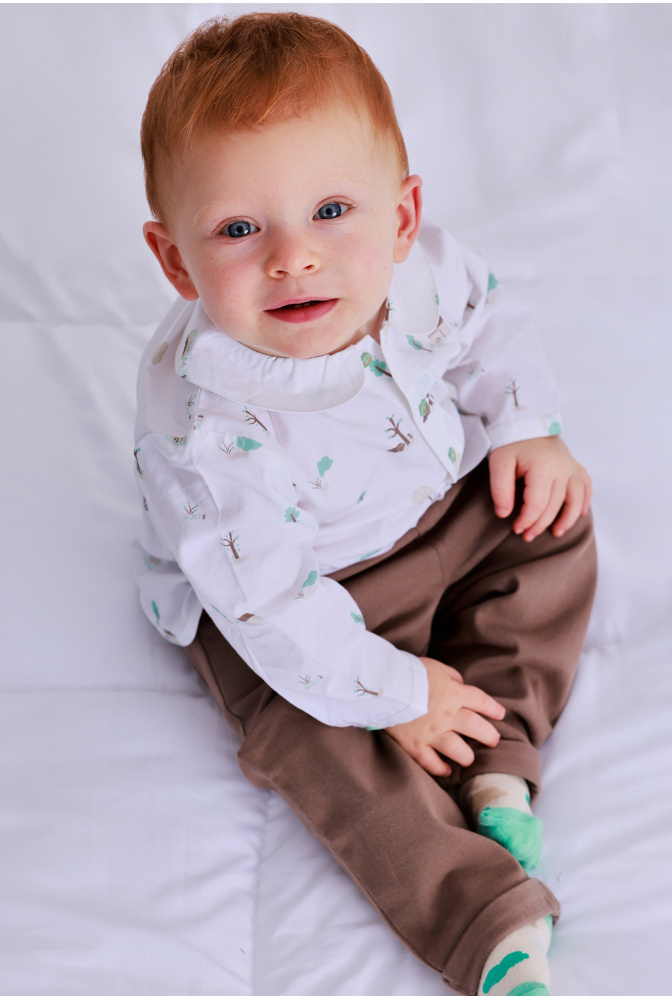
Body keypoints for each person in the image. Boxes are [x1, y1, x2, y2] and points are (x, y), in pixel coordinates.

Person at [133, 12, 596, 996]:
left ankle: (494, 751)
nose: (293, 257)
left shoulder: (420, 271)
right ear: (174, 261)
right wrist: (394, 693)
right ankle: (481, 915)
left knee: (551, 514)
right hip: (291, 607)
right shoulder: (206, 435)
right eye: (238, 229)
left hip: (435, 514)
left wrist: (525, 426)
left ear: (401, 214)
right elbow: (271, 605)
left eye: (332, 210)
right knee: (308, 739)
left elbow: (490, 325)